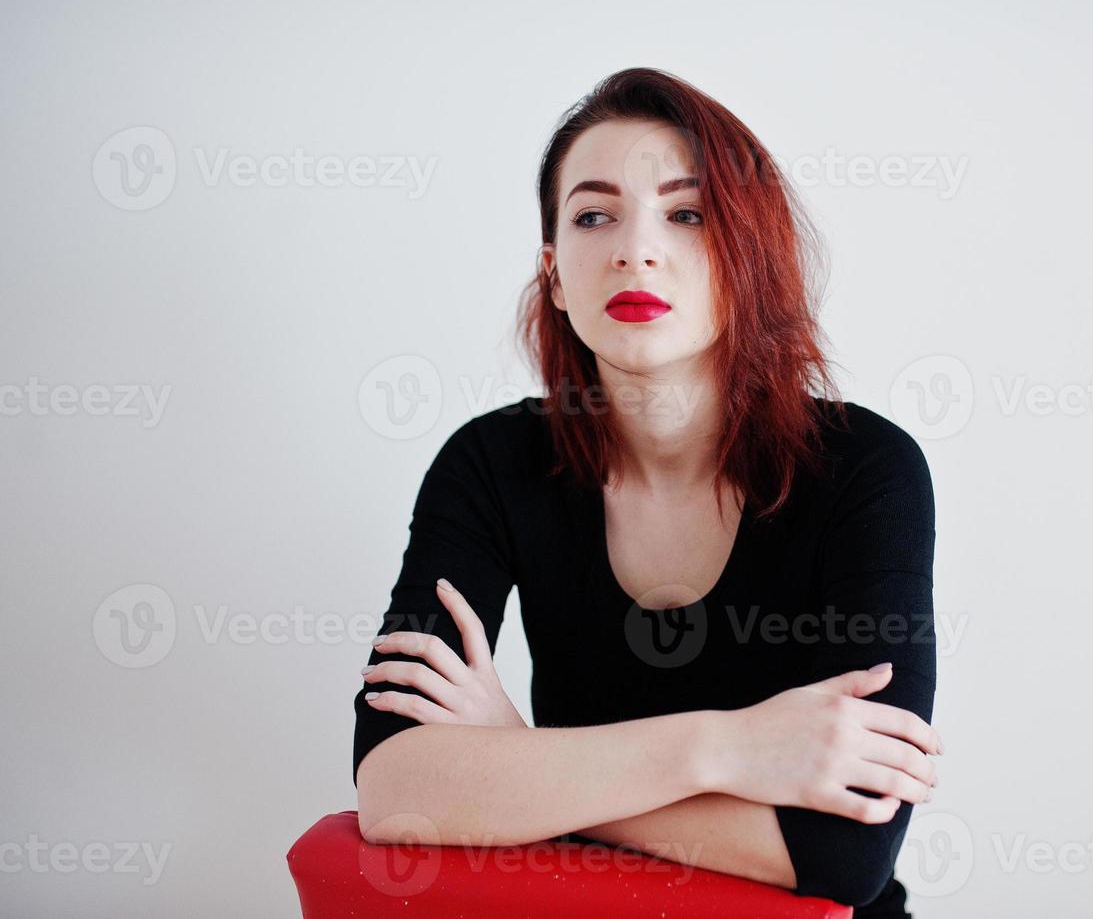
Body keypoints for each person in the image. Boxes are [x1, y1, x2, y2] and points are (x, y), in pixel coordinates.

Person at [352, 67, 942, 917]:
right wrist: (727, 747)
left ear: (744, 258)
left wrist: (519, 765)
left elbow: (844, 853)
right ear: (554, 274)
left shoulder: (863, 468)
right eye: (594, 215)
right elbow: (395, 788)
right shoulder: (490, 463)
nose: (635, 247)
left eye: (686, 213)